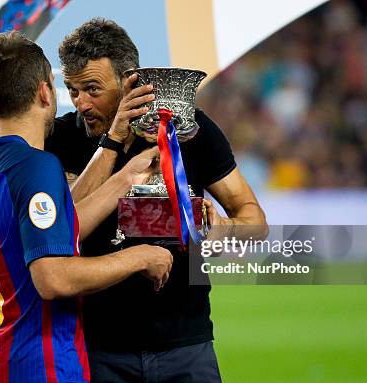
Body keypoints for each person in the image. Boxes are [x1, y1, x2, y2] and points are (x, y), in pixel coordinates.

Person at [45, 18, 268, 382]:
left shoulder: (188, 128)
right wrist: (113, 140)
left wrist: (223, 228)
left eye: (92, 89)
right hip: (98, 348)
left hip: (185, 344)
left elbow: (256, 222)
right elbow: (62, 230)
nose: (81, 103)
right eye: (72, 90)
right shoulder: (63, 140)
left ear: (129, 81)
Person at [0, 30, 173, 383]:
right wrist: (139, 258)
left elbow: (54, 229)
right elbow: (53, 279)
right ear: (45, 91)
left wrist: (124, 180)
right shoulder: (36, 166)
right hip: (39, 362)